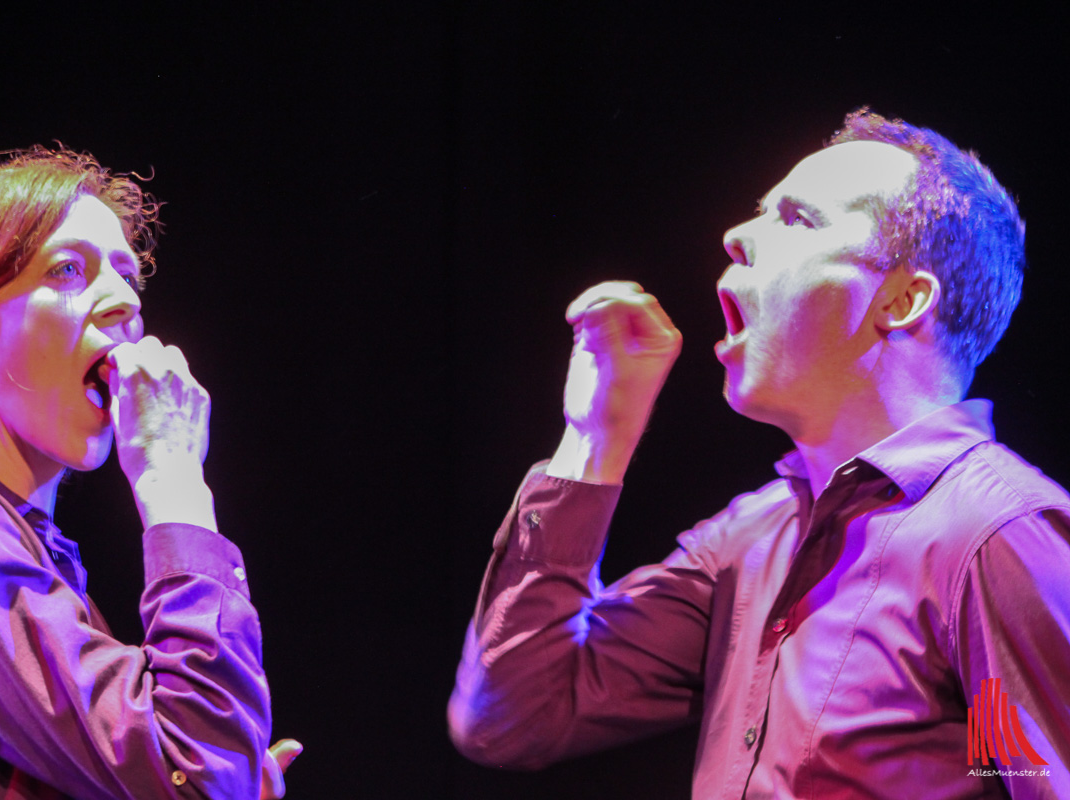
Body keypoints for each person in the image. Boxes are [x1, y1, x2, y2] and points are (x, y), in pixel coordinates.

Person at [449, 110, 1070, 797]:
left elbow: (1038, 778)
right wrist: (593, 441)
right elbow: (513, 717)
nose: (737, 237)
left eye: (799, 220)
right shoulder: (755, 539)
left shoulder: (992, 538)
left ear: (901, 299)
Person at [0, 147, 300, 799]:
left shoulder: (25, 553)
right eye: (68, 269)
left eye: (128, 275)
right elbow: (196, 774)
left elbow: (198, 775)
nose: (123, 302)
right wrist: (174, 481)